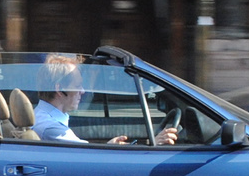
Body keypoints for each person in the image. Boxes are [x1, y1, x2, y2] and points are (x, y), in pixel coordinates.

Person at [32, 55, 177, 145]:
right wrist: (153, 144)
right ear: (59, 89)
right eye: (77, 85)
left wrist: (109, 145)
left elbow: (89, 153)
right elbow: (90, 158)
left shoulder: (42, 117)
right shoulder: (51, 129)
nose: (82, 91)